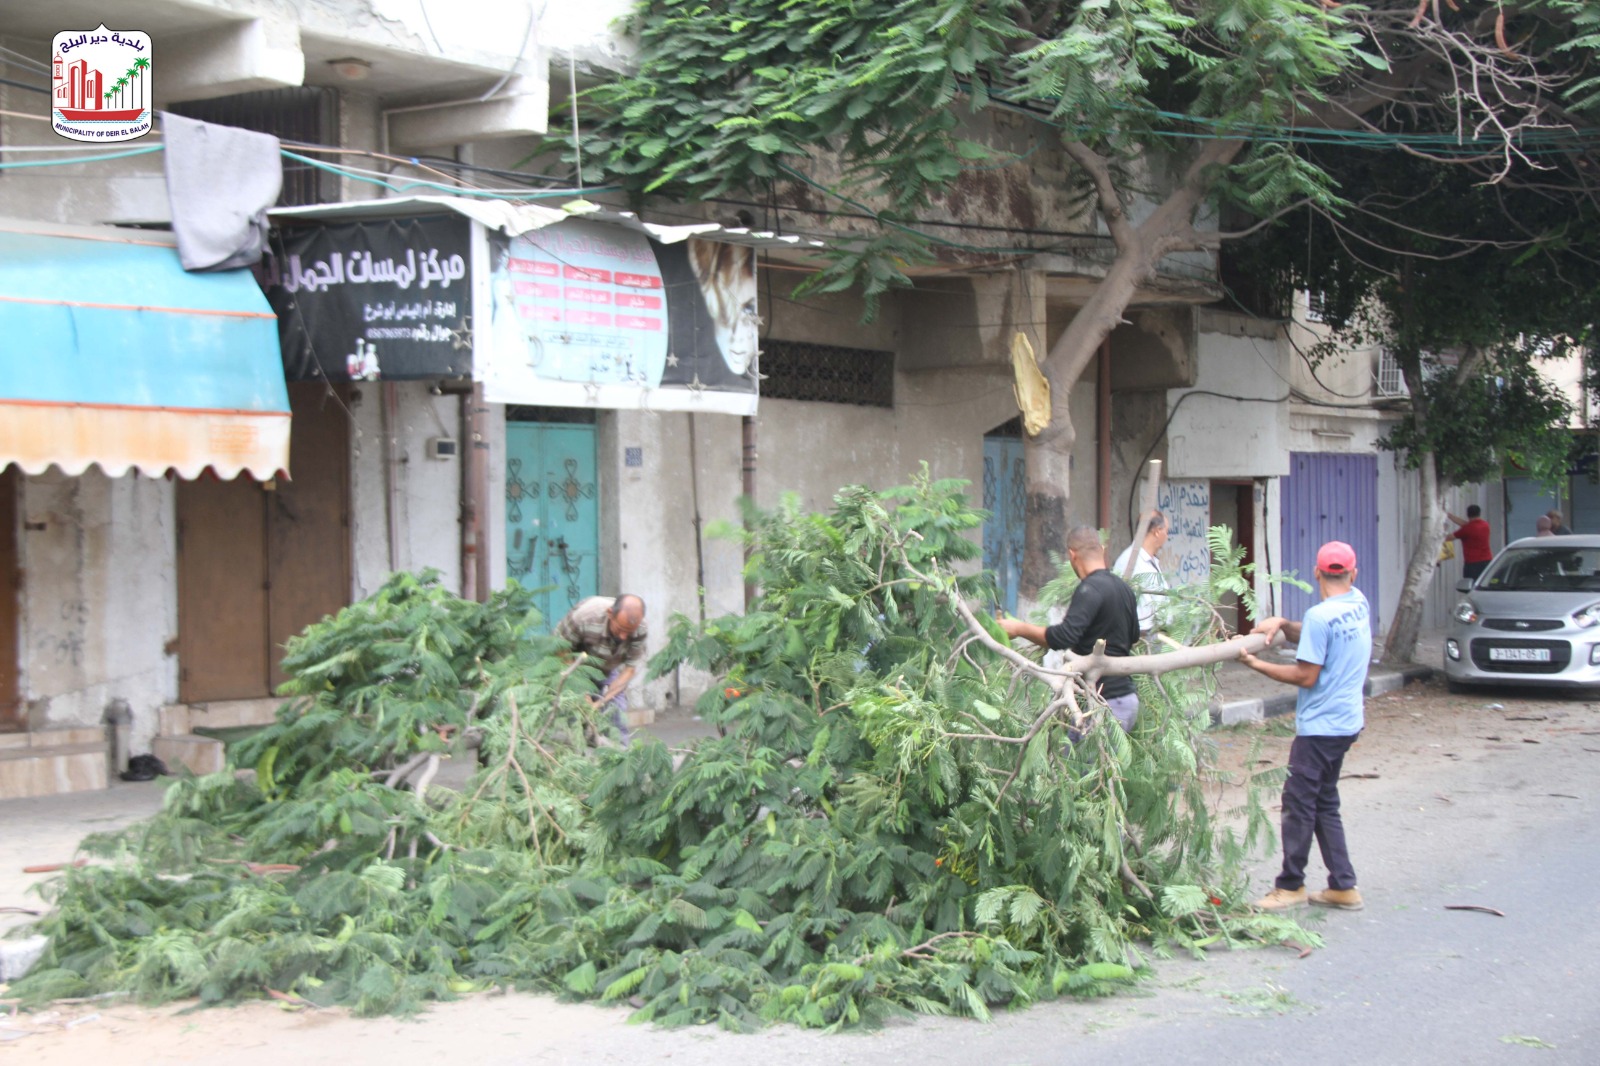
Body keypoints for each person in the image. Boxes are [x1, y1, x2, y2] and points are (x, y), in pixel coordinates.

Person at [1238, 541, 1370, 913]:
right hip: (1347, 723)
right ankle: (1343, 886)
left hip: (1320, 729)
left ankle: (1290, 884)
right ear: (1352, 573)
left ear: (1317, 573)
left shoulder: (1320, 616)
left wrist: (1256, 664)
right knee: (1325, 801)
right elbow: (1314, 634)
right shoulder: (1358, 602)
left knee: (1298, 804)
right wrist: (1281, 623)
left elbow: (1305, 675)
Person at [999, 525, 1142, 734]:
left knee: (1075, 763)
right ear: (1101, 550)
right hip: (1127, 700)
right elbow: (1134, 636)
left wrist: (1019, 628)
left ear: (1072, 555)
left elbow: (1064, 636)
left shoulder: (1089, 589)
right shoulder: (1124, 588)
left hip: (1103, 704)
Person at [554, 594, 648, 743]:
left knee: (616, 713)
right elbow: (560, 648)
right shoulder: (584, 617)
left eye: (628, 632)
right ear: (610, 614)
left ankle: (621, 756)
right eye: (620, 629)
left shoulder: (640, 628)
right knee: (575, 718)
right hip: (573, 666)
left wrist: (601, 702)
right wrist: (580, 691)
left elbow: (629, 670)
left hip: (607, 669)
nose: (624, 637)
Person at [1112, 510, 1170, 636]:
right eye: (1166, 531)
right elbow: (1140, 618)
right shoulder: (1131, 562)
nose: (1167, 536)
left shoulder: (1149, 560)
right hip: (1143, 641)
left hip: (1158, 637)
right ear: (1157, 531)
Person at [1446, 505, 1493, 581]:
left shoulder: (1466, 529)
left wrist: (1440, 532)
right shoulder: (1485, 525)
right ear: (1479, 513)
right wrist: (1450, 516)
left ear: (1467, 514)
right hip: (1487, 561)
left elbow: (1449, 538)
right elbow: (1467, 524)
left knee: (1470, 586)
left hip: (1473, 564)